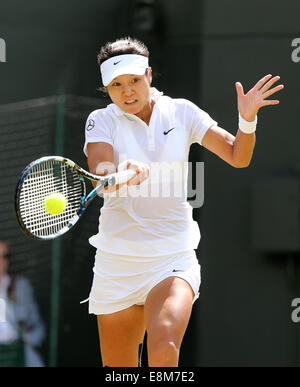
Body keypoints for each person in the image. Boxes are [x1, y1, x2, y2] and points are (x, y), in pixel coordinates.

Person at [83, 37, 283, 367]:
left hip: (171, 256)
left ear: (148, 75)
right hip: (117, 262)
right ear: (107, 89)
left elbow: (238, 156)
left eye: (133, 81)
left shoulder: (182, 112)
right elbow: (100, 174)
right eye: (116, 85)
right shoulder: (101, 120)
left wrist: (247, 120)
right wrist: (121, 172)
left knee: (165, 345)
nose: (127, 92)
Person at [0, 241, 45, 367]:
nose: (2, 261)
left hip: (18, 353)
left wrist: (28, 339)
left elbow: (38, 326)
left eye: (5, 256)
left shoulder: (20, 286)